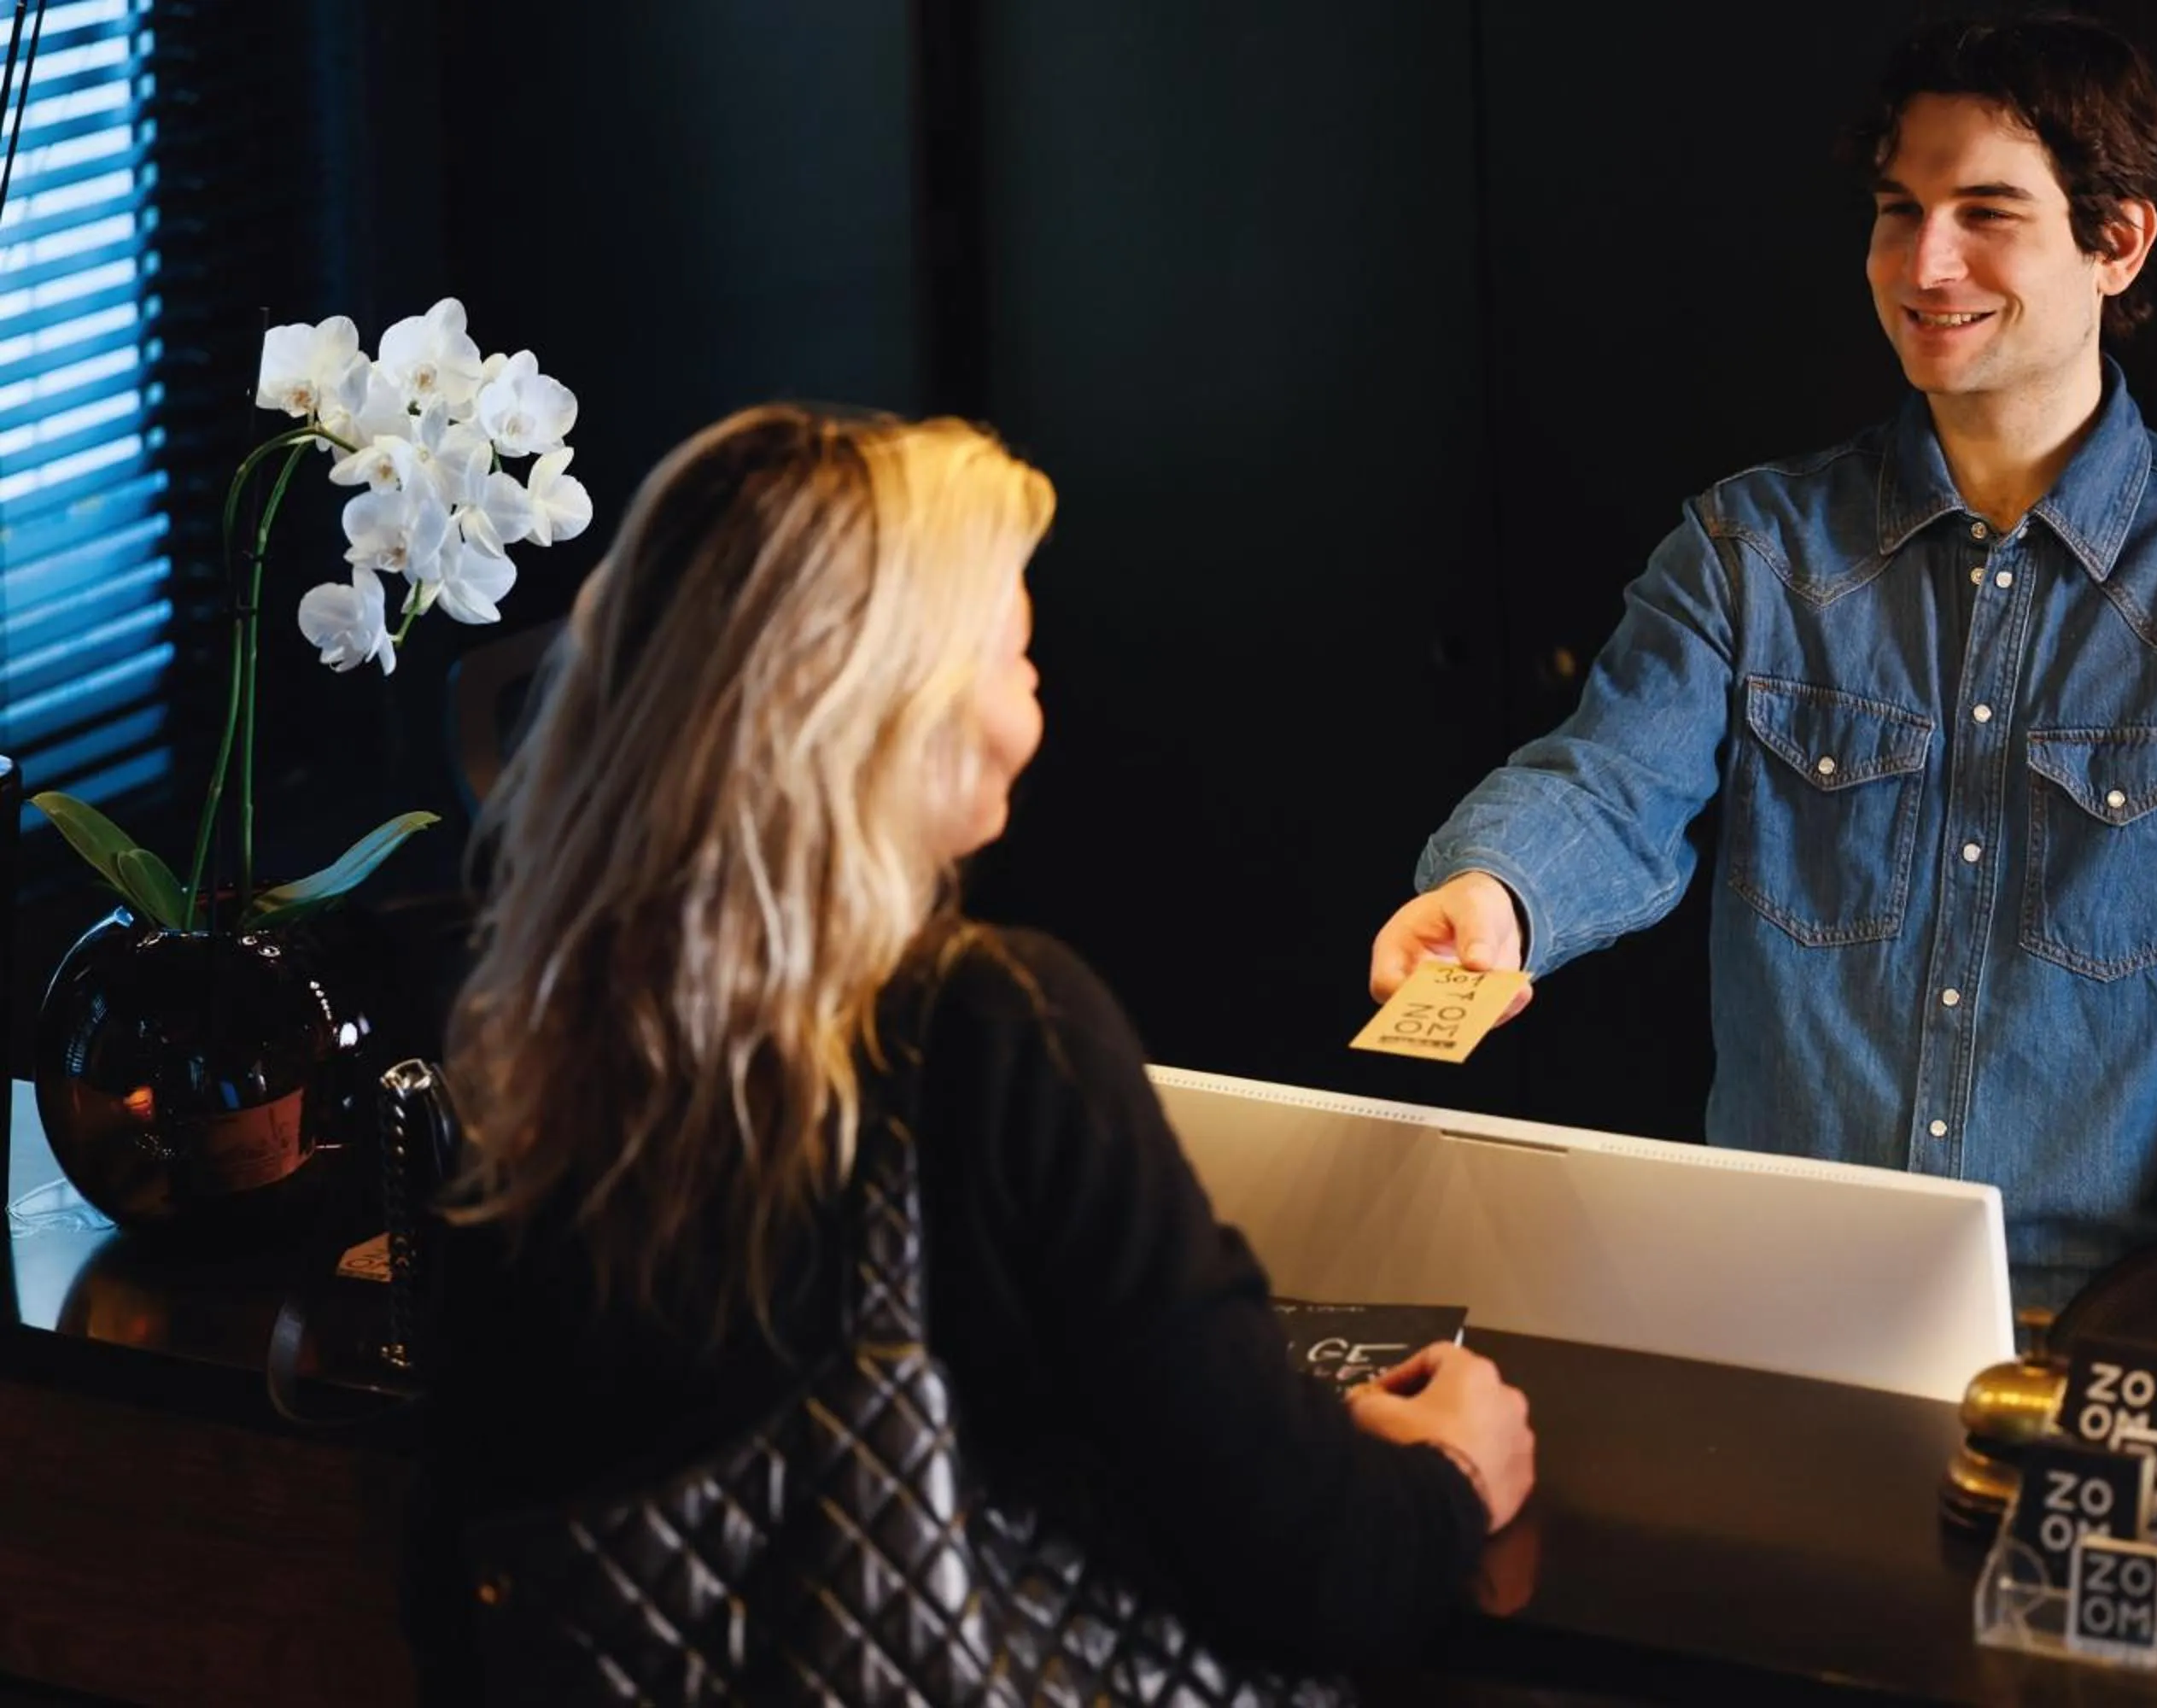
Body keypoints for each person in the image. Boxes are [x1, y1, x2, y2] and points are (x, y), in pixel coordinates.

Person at [1368, 14, 2157, 1446]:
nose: (1925, 266)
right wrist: (1492, 893)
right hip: (1773, 1324)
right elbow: (1612, 781)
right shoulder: (1749, 549)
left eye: (1986, 215)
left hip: (2111, 1348)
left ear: (2118, 243)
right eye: (1897, 211)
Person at [418, 405, 1534, 1699]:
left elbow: (457, 1581)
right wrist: (1449, 1472)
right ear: (892, 704)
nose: (1035, 674)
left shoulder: (531, 1040)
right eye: (1008, 639)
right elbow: (1315, 1563)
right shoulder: (995, 1028)